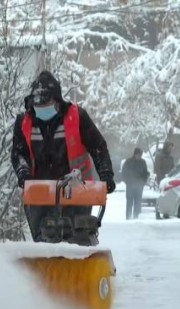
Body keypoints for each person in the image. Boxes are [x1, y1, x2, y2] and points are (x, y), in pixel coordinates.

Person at [11, 71, 116, 242]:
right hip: (39, 193)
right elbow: (18, 154)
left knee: (78, 238)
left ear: (57, 101)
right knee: (44, 238)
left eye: (47, 105)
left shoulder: (77, 117)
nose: (42, 110)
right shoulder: (24, 122)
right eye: (39, 107)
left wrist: (106, 174)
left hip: (77, 191)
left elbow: (98, 147)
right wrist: (23, 174)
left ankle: (79, 263)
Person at [121, 147, 149, 220]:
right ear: (135, 154)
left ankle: (136, 217)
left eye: (141, 155)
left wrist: (143, 182)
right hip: (130, 185)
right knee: (129, 201)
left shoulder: (143, 162)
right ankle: (128, 217)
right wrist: (127, 181)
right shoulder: (128, 162)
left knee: (137, 201)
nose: (139, 156)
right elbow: (124, 173)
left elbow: (145, 173)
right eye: (138, 155)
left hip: (139, 185)